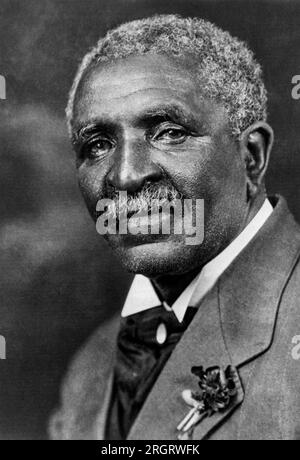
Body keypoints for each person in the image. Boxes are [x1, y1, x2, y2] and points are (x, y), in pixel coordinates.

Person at [49, 14, 300, 440]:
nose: (126, 176)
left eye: (169, 132)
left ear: (252, 157)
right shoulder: (91, 366)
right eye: (98, 145)